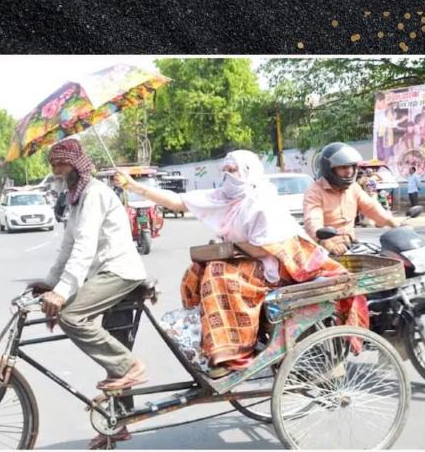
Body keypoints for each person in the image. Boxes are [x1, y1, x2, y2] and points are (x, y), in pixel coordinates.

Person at [115, 150, 369, 374]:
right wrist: (134, 187)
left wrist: (229, 250)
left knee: (220, 275)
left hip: (279, 265)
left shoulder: (261, 200)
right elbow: (180, 202)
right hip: (249, 257)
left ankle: (234, 351)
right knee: (195, 272)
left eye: (233, 169)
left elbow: (264, 248)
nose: (228, 174)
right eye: (225, 169)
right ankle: (206, 339)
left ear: (248, 171)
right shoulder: (227, 196)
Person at [29, 139, 147, 448]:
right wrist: (49, 283)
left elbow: (84, 248)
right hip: (102, 273)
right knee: (113, 344)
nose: (56, 170)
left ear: (77, 164)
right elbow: (67, 246)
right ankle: (120, 423)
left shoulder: (94, 194)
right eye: (53, 165)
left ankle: (130, 367)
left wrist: (63, 293)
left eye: (61, 164)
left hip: (119, 271)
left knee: (71, 316)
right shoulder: (74, 198)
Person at [303, 143, 397, 256]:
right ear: (330, 169)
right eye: (343, 167)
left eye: (351, 166)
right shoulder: (315, 192)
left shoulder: (353, 188)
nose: (349, 171)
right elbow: (312, 222)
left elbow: (371, 207)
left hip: (351, 246)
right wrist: (329, 244)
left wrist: (395, 224)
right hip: (324, 251)